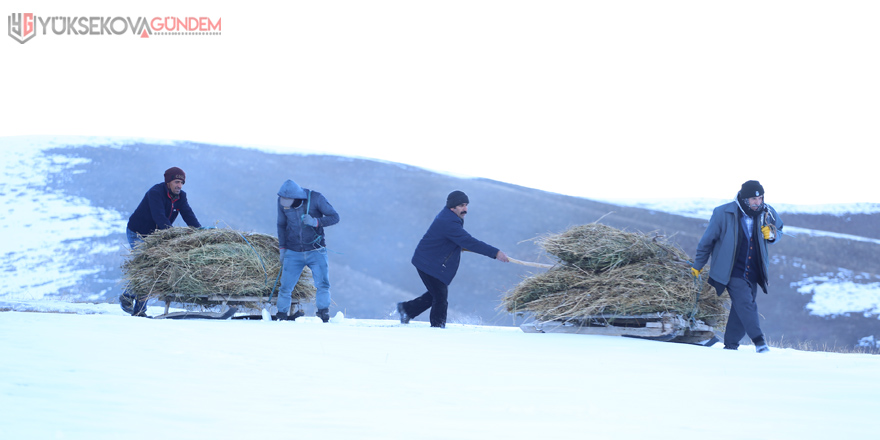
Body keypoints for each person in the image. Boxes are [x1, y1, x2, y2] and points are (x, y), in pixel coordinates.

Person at [691, 180, 783, 353]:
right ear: (743, 198)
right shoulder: (723, 213)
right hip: (731, 270)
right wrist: (698, 265)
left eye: (760, 198)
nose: (758, 202)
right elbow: (706, 241)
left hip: (755, 270)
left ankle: (731, 345)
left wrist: (772, 234)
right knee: (746, 304)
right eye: (753, 199)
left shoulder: (767, 212)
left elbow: (779, 230)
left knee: (741, 307)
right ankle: (760, 342)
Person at [397, 190, 510, 328]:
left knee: (435, 295)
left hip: (432, 262)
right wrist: (496, 253)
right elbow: (469, 241)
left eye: (466, 205)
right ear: (452, 207)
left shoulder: (451, 218)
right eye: (462, 205)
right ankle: (437, 328)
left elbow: (455, 240)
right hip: (427, 263)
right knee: (440, 298)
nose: (465, 209)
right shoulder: (448, 221)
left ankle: (407, 310)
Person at [121, 167, 202, 317]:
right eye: (177, 182)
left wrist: (201, 232)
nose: (180, 186)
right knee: (146, 265)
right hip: (138, 233)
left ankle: (138, 310)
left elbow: (189, 216)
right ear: (168, 182)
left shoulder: (181, 197)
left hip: (157, 236)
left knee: (153, 269)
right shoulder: (156, 193)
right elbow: (159, 217)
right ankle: (128, 297)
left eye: (182, 183)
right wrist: (173, 236)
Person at [276, 179, 340, 322]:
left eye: (288, 201)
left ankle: (323, 314)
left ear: (297, 198)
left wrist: (316, 222)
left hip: (316, 251)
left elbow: (335, 217)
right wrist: (283, 248)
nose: (285, 203)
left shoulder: (316, 198)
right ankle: (281, 315)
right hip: (293, 251)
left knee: (322, 284)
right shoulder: (282, 202)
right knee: (285, 287)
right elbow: (281, 224)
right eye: (283, 199)